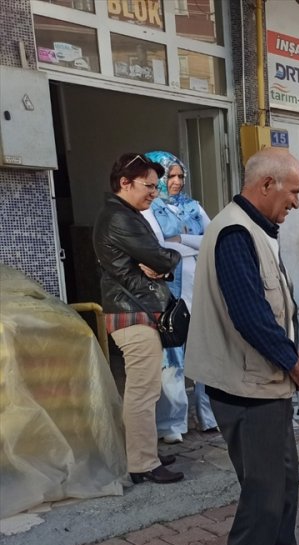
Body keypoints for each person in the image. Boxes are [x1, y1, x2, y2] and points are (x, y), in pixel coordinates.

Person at [186, 148, 299, 545]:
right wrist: (294, 363)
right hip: (246, 389)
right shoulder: (235, 233)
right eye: (294, 191)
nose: (297, 202)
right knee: (263, 493)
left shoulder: (256, 230)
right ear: (266, 185)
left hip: (264, 388)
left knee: (283, 488)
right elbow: (250, 315)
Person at [94, 152, 184, 485]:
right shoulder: (121, 218)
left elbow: (155, 261)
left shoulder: (125, 214)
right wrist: (166, 260)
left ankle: (144, 454)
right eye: (149, 186)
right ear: (124, 183)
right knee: (143, 392)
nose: (155, 193)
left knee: (145, 389)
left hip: (135, 310)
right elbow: (161, 256)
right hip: (132, 314)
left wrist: (159, 265)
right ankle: (143, 463)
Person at [141, 150, 218, 443]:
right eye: (169, 176)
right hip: (169, 295)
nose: (175, 182)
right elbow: (159, 248)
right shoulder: (148, 210)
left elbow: (212, 239)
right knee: (171, 360)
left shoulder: (192, 206)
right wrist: (186, 245)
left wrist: (181, 240)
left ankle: (209, 417)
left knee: (206, 355)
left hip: (199, 290)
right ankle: (172, 425)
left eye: (179, 176)